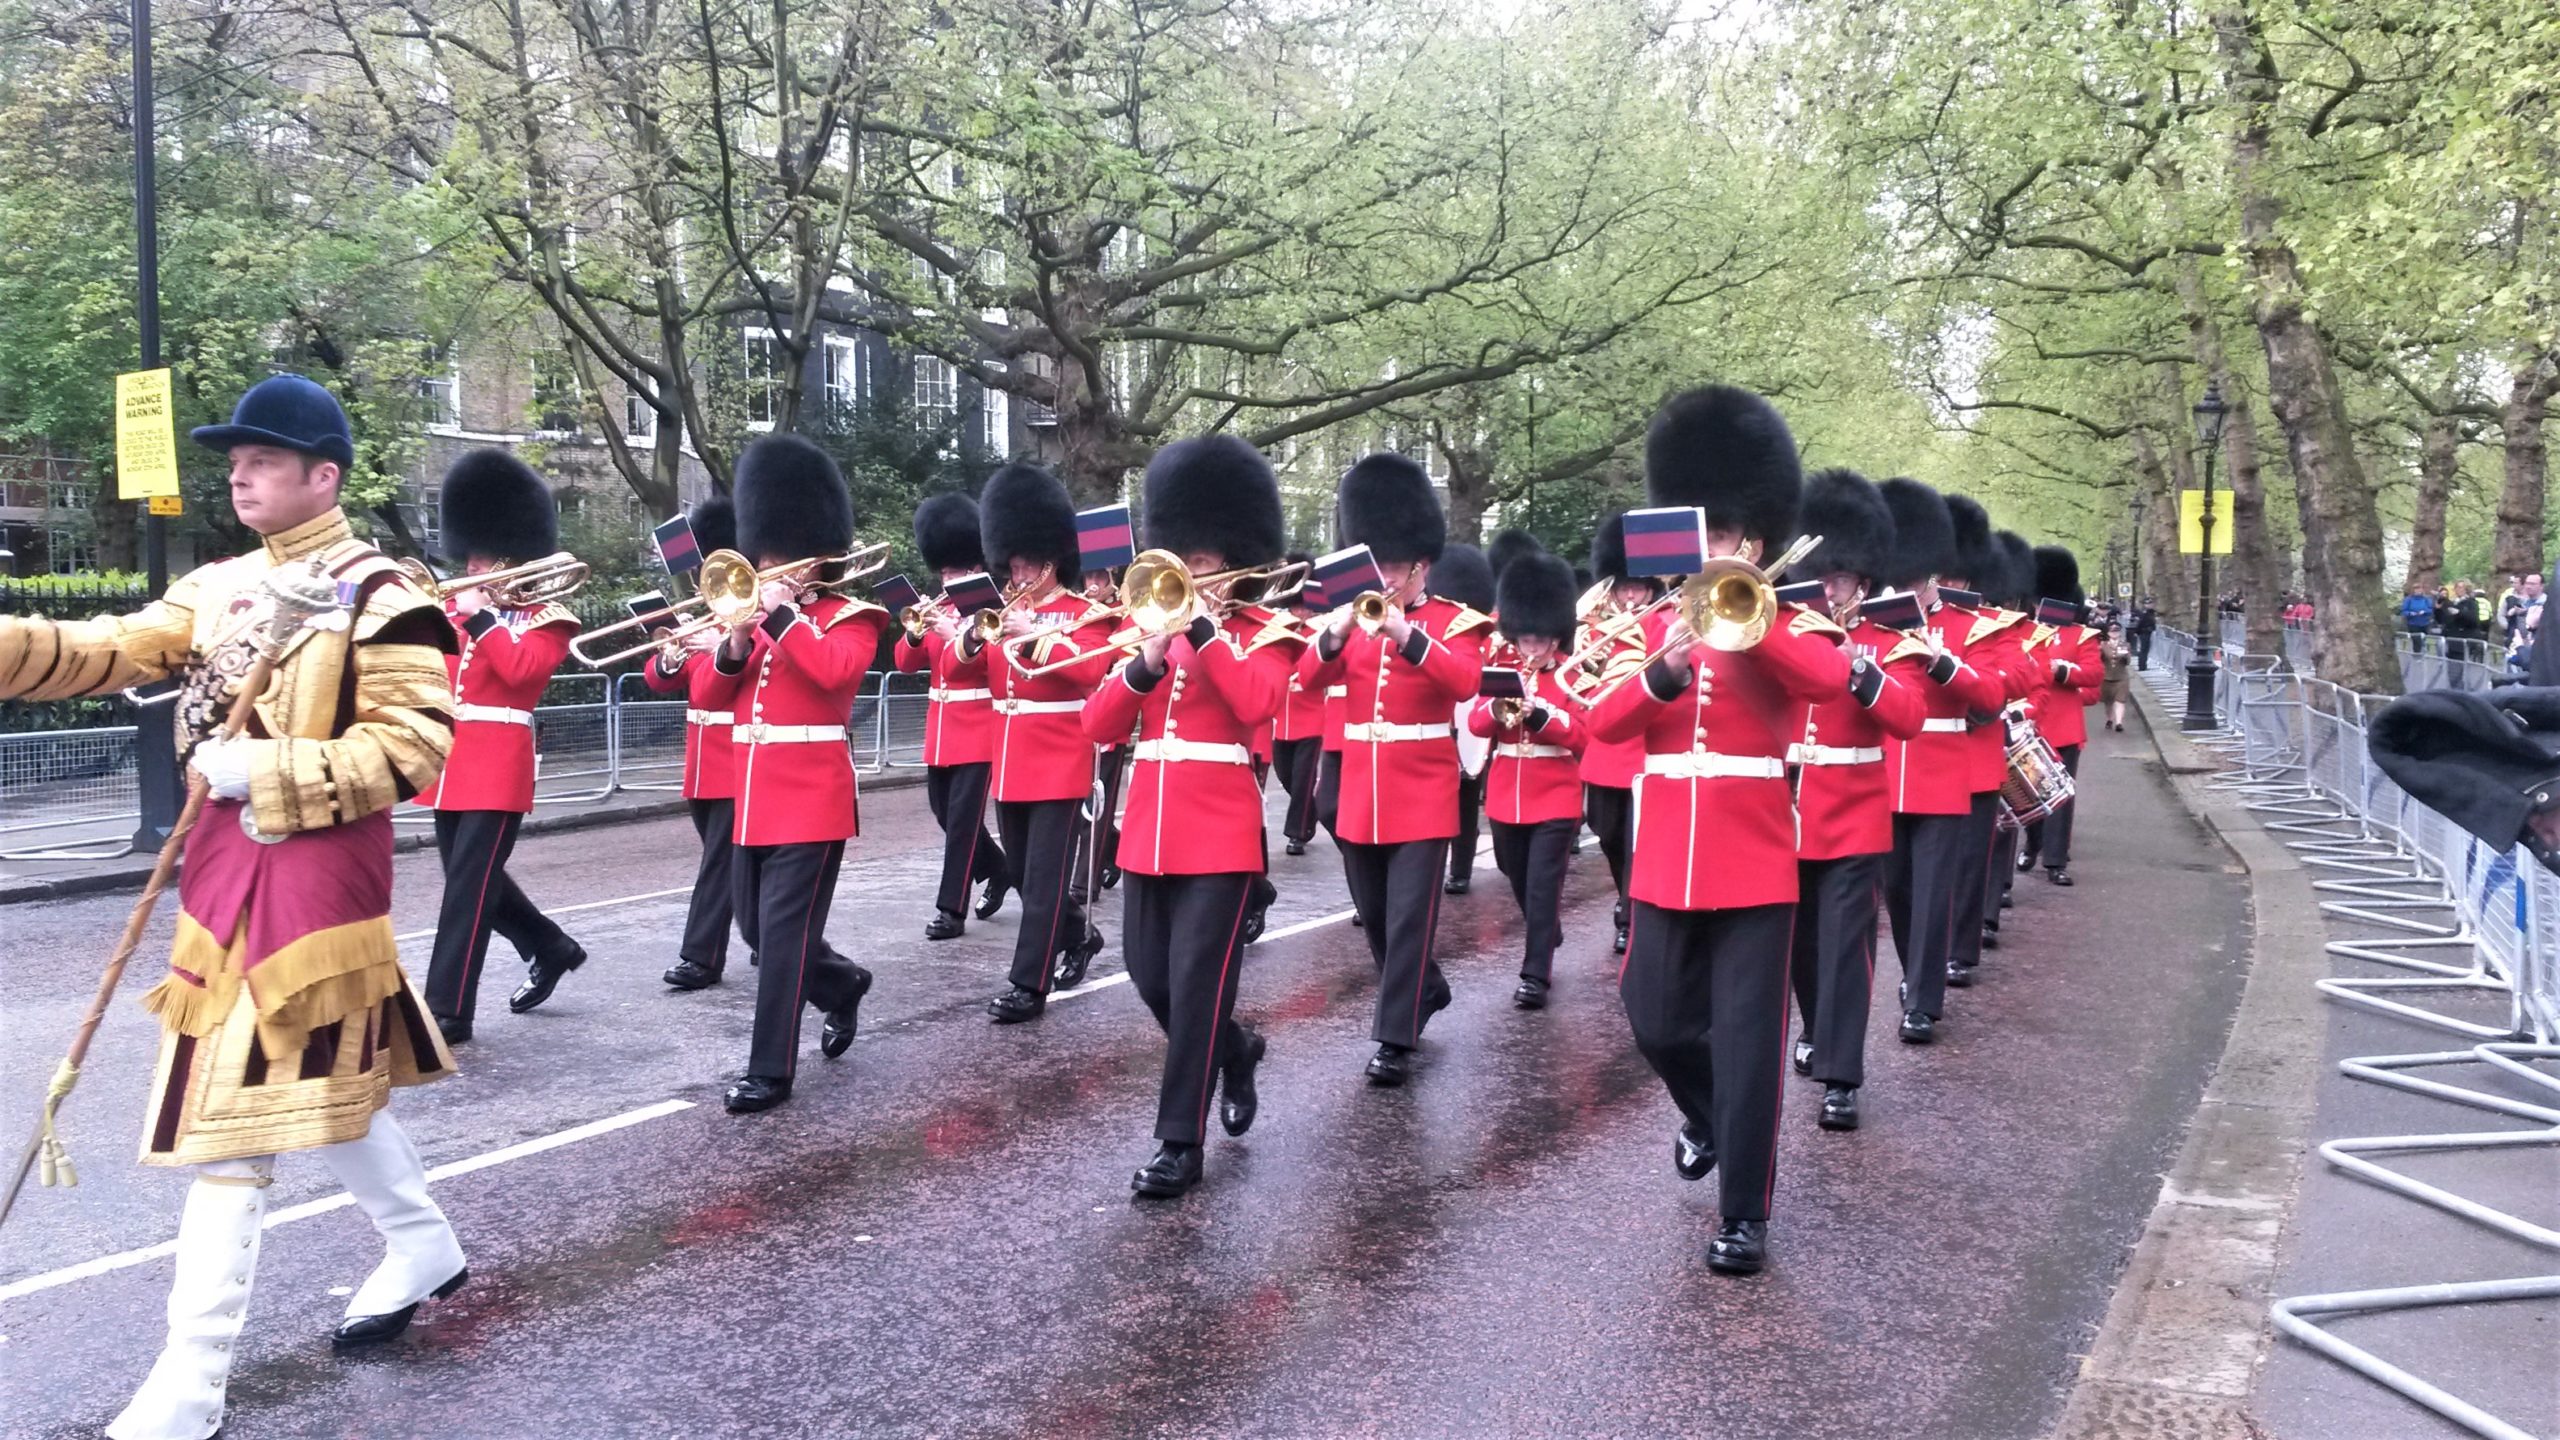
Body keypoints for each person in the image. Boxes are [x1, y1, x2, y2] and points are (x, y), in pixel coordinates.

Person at [1, 374, 466, 1437]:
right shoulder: (218, 586)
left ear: (323, 475)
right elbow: (101, 648)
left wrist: (267, 770)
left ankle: (192, 1380)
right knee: (327, 1093)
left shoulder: (385, 595)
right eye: (235, 459)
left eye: (261, 459)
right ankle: (426, 1244)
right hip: (218, 877)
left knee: (225, 1129)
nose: (239, 473)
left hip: (310, 888)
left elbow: (417, 747)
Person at [1586, 385, 1856, 1277]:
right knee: (1653, 1019)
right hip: (1665, 855)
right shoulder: (1651, 625)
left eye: (1726, 539)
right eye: (1702, 536)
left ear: (1755, 543)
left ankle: (1745, 1212)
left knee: (1749, 1045)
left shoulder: (1789, 618)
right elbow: (1603, 724)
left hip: (1753, 859)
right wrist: (1664, 669)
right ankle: (1703, 1119)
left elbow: (1825, 681)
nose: (1709, 553)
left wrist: (1747, 627)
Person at [1080, 435, 1294, 1197]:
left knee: (1198, 991)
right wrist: (1143, 659)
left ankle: (1179, 1143)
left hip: (1221, 835)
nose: (1189, 574)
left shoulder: (1267, 635)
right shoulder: (1149, 633)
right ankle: (1234, 1054)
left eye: (1202, 563)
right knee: (1150, 979)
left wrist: (1202, 633)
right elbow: (1099, 726)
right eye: (1183, 558)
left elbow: (1254, 703)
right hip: (1148, 830)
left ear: (1237, 562)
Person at [695, 436, 888, 1112]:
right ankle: (840, 985)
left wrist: (779, 614)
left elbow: (835, 675)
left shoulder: (856, 616)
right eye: (763, 555)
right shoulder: (753, 625)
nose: (766, 568)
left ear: (816, 554)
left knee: (780, 941)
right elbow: (706, 697)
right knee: (755, 931)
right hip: (752, 794)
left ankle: (770, 1070)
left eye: (778, 558)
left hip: (812, 797)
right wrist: (739, 637)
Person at [1296, 453, 1492, 1087]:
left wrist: (1407, 636)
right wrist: (1333, 635)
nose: (1381, 577)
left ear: (1421, 565)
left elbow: (1464, 683)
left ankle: (1394, 1039)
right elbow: (1304, 681)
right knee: (1377, 918)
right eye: (1374, 564)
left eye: (1392, 567)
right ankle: (1425, 989)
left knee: (1409, 919)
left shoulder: (1455, 624)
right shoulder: (1348, 622)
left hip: (1423, 788)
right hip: (1360, 785)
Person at [417, 450, 587, 1044]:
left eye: (484, 558)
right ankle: (549, 944)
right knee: (472, 881)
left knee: (468, 888)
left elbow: (519, 676)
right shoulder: (451, 611)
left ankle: (447, 1009)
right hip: (447, 762)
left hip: (497, 765)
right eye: (472, 556)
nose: (473, 566)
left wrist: (485, 620)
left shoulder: (548, 618)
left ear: (515, 559)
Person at [1781, 469, 1928, 1133]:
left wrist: (1860, 667)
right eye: (1822, 573)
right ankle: (1814, 1028)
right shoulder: (1783, 631)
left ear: (1862, 581)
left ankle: (1842, 1075)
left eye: (1838, 576)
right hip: (1789, 811)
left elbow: (1908, 716)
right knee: (1802, 946)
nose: (1827, 585)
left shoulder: (1887, 641)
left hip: (1856, 811)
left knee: (1847, 947)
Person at [968, 464, 1118, 1023]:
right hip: (1009, 759)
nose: (1015, 571)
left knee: (1046, 877)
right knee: (1032, 881)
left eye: (1024, 563)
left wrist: (1034, 640)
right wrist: (964, 636)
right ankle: (1079, 935)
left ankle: (1028, 985)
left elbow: (1091, 671)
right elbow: (977, 674)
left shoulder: (1087, 616)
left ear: (1049, 562)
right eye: (1011, 563)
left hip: (1058, 758)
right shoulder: (1004, 613)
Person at [1876, 478, 2007, 1043]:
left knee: (1933, 891)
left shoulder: (1969, 629)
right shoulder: (1867, 626)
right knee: (1899, 893)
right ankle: (1914, 973)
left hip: (1942, 773)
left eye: (1918, 575)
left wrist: (1943, 664)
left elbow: (1992, 696)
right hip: (1881, 772)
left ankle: (1923, 1001)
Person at [1464, 552, 1587, 1009]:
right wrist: (1500, 706)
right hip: (1506, 794)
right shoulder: (1505, 672)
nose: (1531, 649)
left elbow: (1584, 738)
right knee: (1512, 872)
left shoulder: (1573, 677)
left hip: (1556, 796)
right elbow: (1478, 725)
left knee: (1541, 887)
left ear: (1557, 638)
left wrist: (1543, 715)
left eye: (1540, 641)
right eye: (1525, 640)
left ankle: (1535, 975)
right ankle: (1546, 926)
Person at [893, 492, 1011, 942]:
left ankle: (951, 909)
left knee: (962, 824)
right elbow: (906, 663)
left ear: (974, 566)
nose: (948, 578)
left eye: (955, 570)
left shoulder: (989, 610)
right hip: (941, 732)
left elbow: (977, 665)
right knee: (944, 814)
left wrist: (957, 631)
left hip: (979, 728)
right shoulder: (937, 609)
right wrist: (913, 629)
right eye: (943, 571)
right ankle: (1000, 870)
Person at [648, 494, 752, 990]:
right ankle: (773, 936)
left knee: (719, 861)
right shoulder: (706, 618)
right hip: (701, 761)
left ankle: (701, 956)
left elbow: (717, 685)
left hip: (738, 756)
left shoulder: (743, 622)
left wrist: (717, 646)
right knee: (736, 860)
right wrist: (672, 654)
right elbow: (659, 678)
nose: (699, 584)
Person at [1576, 512, 1660, 955]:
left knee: (1635, 839)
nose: (1631, 597)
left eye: (1639, 588)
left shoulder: (1664, 627)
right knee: (1607, 834)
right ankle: (1624, 896)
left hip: (1646, 752)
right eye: (1625, 587)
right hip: (1606, 750)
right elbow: (1580, 689)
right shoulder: (1593, 632)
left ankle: (1630, 912)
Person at [2020, 547, 2102, 886]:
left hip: (2065, 725)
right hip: (2031, 722)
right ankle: (2033, 843)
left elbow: (2093, 675)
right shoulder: (2023, 630)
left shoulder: (2081, 635)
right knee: (2028, 791)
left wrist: (2062, 670)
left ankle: (2055, 861)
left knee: (2062, 795)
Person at [1434, 542, 1497, 896]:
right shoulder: (1437, 627)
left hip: (1477, 716)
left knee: (1468, 796)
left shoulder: (1487, 636)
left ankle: (1460, 869)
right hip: (1443, 718)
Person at [1269, 552, 1325, 856]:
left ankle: (1298, 833)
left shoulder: (1320, 632)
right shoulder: (1280, 630)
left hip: (1313, 716)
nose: (1300, 612)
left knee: (1304, 779)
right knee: (1286, 775)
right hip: (1283, 716)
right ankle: (1311, 809)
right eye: (1296, 606)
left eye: (1304, 607)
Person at [2099, 620, 2133, 731]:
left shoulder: (2125, 645)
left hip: (2121, 677)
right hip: (2106, 677)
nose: (2114, 633)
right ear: (2108, 633)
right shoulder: (2103, 645)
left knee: (2120, 700)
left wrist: (2125, 655)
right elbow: (2099, 660)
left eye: (2117, 631)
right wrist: (2099, 652)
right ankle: (2110, 719)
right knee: (2108, 701)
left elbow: (2128, 662)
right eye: (2112, 631)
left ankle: (2119, 723)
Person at [2132, 598, 2157, 668]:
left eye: (2151, 604)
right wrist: (2137, 632)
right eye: (2148, 604)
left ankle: (2144, 664)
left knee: (2146, 649)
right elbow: (2140, 623)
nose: (2150, 605)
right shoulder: (2144, 613)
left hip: (2148, 632)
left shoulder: (2151, 612)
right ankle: (2142, 665)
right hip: (2144, 632)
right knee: (2143, 649)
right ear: (2145, 605)